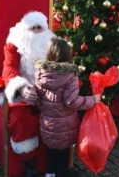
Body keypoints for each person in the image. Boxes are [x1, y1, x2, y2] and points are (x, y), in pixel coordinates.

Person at [33, 38, 100, 177]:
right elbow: (71, 102)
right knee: (63, 153)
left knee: (51, 150)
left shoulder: (41, 72)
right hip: (65, 125)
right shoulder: (70, 75)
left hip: (47, 123)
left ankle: (49, 173)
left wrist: (45, 109)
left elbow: (37, 98)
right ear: (67, 54)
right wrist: (91, 100)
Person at [2, 11, 55, 176]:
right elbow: (9, 69)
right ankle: (29, 165)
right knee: (22, 118)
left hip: (50, 92)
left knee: (63, 117)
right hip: (25, 92)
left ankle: (57, 165)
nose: (37, 31)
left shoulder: (53, 44)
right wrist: (22, 88)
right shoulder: (14, 44)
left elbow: (62, 66)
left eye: (40, 28)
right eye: (34, 28)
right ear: (26, 30)